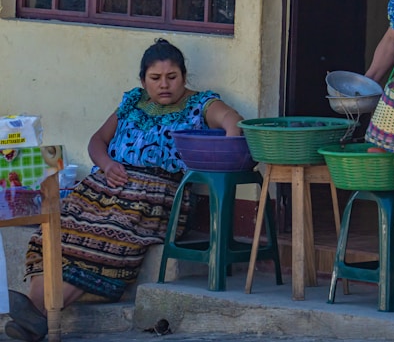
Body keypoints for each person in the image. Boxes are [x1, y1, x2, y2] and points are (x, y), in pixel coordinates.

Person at [4, 38, 244, 341]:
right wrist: (106, 165)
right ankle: (37, 314)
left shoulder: (201, 104)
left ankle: (35, 314)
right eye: (155, 78)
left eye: (173, 77)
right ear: (143, 80)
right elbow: (97, 141)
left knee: (106, 233)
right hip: (104, 186)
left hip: (155, 196)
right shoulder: (132, 102)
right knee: (58, 228)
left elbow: (233, 120)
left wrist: (224, 154)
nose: (164, 85)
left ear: (185, 76)